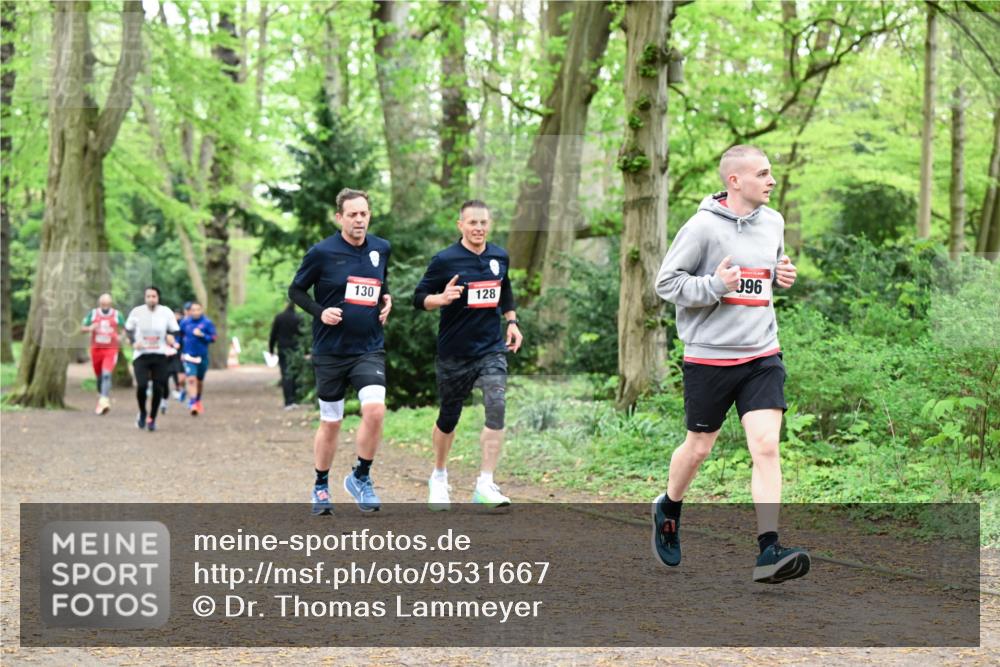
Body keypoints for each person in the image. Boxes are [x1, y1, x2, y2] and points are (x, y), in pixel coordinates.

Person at [652, 144, 809, 584]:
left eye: (770, 173)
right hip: (710, 357)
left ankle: (768, 550)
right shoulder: (702, 227)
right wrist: (713, 285)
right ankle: (669, 506)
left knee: (766, 446)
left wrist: (782, 275)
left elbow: (767, 272)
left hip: (762, 353)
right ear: (734, 180)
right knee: (699, 448)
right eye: (762, 173)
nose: (771, 180)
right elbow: (666, 282)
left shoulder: (774, 221)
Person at [413, 199, 523, 510]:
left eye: (483, 223)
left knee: (496, 404)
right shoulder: (445, 260)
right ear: (460, 225)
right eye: (472, 223)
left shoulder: (499, 256)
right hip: (454, 352)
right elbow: (418, 298)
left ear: (489, 225)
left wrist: (512, 321)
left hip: (490, 349)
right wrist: (441, 298)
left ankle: (485, 483)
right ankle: (438, 476)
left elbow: (505, 290)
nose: (478, 228)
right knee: (449, 418)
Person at [288, 188, 392, 515]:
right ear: (340, 218)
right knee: (331, 422)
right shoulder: (322, 252)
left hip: (368, 348)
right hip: (331, 351)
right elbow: (296, 290)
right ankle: (320, 485)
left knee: (375, 410)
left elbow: (379, 284)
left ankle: (361, 476)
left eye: (363, 214)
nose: (359, 220)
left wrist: (387, 300)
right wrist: (320, 312)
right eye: (352, 215)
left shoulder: (381, 249)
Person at [124, 286, 179, 432]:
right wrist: (133, 342)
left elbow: (175, 330)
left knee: (158, 387)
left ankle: (152, 418)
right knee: (141, 386)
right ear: (145, 298)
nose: (151, 299)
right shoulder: (137, 312)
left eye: (154, 296)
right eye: (148, 296)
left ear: (158, 298)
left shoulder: (166, 312)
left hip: (160, 355)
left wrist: (170, 336)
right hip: (141, 355)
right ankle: (142, 411)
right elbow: (128, 329)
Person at [80, 293, 127, 415]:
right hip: (96, 350)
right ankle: (101, 397)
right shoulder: (94, 314)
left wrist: (121, 337)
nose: (105, 306)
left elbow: (124, 330)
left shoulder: (117, 315)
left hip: (111, 349)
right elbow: (82, 328)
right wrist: (90, 328)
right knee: (100, 377)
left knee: (107, 375)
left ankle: (104, 400)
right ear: (99, 303)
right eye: (103, 304)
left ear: (110, 304)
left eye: (107, 304)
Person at [178, 301, 217, 415]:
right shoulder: (184, 323)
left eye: (197, 309)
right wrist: (177, 346)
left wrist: (203, 335)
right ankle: (193, 403)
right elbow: (178, 337)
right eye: (193, 310)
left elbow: (213, 338)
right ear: (190, 311)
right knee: (191, 379)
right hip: (188, 356)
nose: (195, 312)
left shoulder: (207, 323)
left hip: (202, 356)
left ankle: (198, 399)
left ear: (201, 310)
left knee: (199, 381)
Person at [269, 300, 303, 409]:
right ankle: (294, 399)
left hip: (283, 348)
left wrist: (271, 349)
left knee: (285, 374)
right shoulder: (298, 318)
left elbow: (273, 335)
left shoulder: (279, 317)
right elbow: (302, 334)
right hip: (295, 349)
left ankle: (288, 401)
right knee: (295, 374)